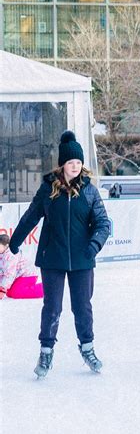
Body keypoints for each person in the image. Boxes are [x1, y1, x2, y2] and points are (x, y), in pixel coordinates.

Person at [9, 131, 110, 378]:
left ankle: (87, 348)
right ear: (63, 164)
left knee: (82, 307)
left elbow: (103, 224)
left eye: (78, 162)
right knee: (52, 307)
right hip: (52, 256)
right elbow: (31, 216)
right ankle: (46, 351)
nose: (75, 167)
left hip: (83, 258)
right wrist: (14, 241)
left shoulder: (89, 191)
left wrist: (94, 245)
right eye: (71, 162)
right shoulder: (48, 189)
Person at [0, 234, 43, 299]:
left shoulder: (11, 255)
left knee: (16, 293)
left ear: (6, 246)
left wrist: (2, 289)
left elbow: (9, 274)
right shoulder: (2, 253)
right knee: (9, 293)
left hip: (28, 275)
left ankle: (46, 288)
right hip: (18, 275)